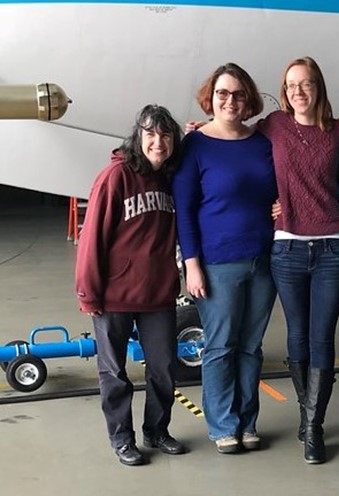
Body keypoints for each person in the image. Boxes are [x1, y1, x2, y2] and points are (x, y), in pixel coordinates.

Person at [173, 63, 277, 454]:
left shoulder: (262, 142)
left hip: (263, 260)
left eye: (237, 94)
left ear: (248, 99)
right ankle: (223, 425)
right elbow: (184, 211)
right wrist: (192, 264)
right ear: (211, 98)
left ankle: (247, 422)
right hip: (217, 263)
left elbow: (279, 187)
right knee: (221, 346)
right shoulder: (196, 145)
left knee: (251, 346)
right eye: (222, 93)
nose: (230, 101)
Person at [75, 104, 186, 466]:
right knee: (114, 373)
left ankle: (157, 430)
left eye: (166, 135)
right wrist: (88, 291)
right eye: (150, 134)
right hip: (114, 296)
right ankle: (122, 438)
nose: (158, 142)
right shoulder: (115, 177)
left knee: (163, 368)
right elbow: (92, 238)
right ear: (138, 137)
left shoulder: (170, 178)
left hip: (158, 295)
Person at [259, 57, 339, 465]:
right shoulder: (273, 125)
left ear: (319, 88)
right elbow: (237, 146)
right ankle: (306, 414)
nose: (298, 91)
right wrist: (200, 130)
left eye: (306, 83)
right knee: (297, 334)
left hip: (331, 246)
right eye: (291, 85)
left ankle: (314, 426)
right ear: (284, 91)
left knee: (322, 337)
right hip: (288, 247)